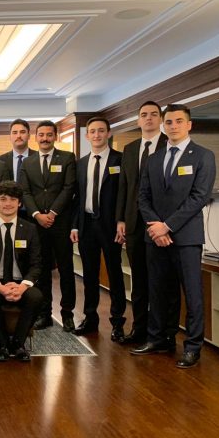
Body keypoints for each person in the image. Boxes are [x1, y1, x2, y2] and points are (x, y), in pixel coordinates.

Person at [132, 103, 216, 368]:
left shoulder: (203, 156)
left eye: (179, 121)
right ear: (163, 125)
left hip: (186, 238)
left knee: (192, 294)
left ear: (189, 124)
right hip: (155, 237)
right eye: (168, 122)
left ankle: (192, 347)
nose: (173, 126)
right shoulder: (154, 159)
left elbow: (199, 197)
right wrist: (156, 228)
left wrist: (166, 226)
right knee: (158, 291)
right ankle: (159, 338)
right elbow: (143, 196)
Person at [116, 101, 181, 346]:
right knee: (139, 281)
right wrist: (121, 219)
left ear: (161, 120)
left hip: (161, 226)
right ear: (138, 120)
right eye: (144, 115)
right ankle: (140, 329)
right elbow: (124, 186)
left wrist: (165, 223)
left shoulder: (170, 145)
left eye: (154, 114)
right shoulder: (130, 149)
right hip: (134, 225)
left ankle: (165, 333)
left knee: (164, 282)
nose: (149, 118)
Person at [70, 117, 126, 340]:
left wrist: (122, 220)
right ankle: (90, 318)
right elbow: (77, 198)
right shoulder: (81, 163)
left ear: (108, 133)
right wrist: (75, 225)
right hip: (87, 224)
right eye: (92, 131)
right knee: (89, 275)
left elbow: (124, 193)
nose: (96, 135)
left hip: (110, 226)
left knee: (115, 274)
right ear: (87, 136)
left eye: (101, 131)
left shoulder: (120, 160)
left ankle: (117, 322)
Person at [18, 120, 77, 332]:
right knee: (41, 271)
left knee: (66, 269)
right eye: (41, 135)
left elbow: (69, 188)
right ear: (36, 137)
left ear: (55, 137)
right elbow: (25, 192)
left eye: (49, 135)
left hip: (60, 223)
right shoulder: (28, 162)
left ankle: (68, 314)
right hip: (37, 225)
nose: (45, 138)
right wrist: (37, 215)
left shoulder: (67, 158)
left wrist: (52, 213)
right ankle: (45, 314)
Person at [0, 181, 43, 362]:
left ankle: (19, 344)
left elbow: (36, 264)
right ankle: (3, 343)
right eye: (3, 199)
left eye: (13, 199)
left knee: (36, 297)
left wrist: (23, 287)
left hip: (20, 282)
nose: (8, 203)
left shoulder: (30, 229)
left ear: (19, 203)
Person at [0, 118, 32, 184]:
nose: (18, 136)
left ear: (29, 136)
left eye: (22, 132)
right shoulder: (0, 161)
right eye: (15, 132)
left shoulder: (38, 157)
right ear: (10, 137)